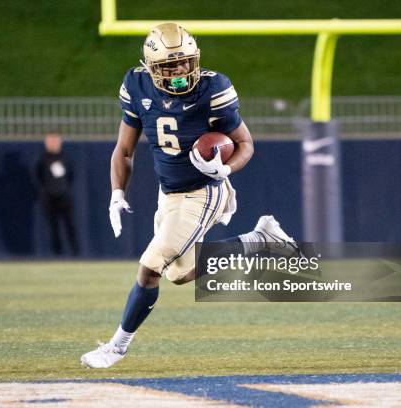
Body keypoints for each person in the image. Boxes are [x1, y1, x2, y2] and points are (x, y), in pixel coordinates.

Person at [81, 23, 299, 368]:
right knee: (180, 273)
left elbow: (245, 144)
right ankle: (260, 239)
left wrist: (225, 171)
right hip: (168, 193)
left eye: (185, 62)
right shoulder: (136, 85)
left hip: (204, 190)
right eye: (171, 65)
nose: (181, 70)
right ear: (152, 67)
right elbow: (124, 150)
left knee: (149, 268)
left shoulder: (213, 88)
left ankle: (116, 347)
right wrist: (116, 192)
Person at [35, 133, 79, 256]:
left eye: (55, 141)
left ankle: (76, 253)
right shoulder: (43, 160)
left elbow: (71, 175)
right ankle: (56, 254)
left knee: (70, 226)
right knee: (53, 227)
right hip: (49, 198)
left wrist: (63, 189)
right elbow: (39, 177)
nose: (53, 144)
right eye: (50, 141)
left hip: (64, 197)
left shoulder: (65, 158)